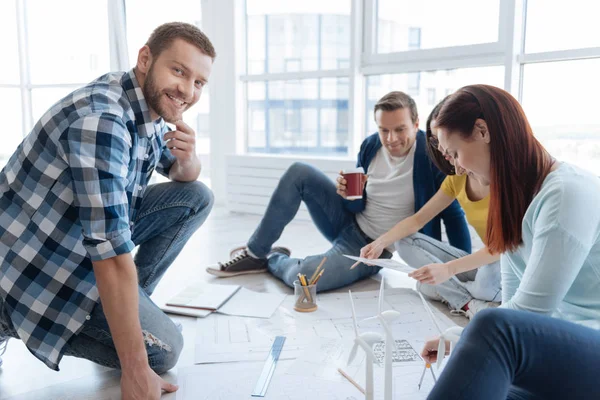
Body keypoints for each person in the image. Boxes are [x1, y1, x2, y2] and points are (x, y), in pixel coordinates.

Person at [0, 22, 215, 399]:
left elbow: (183, 178)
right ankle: (8, 318)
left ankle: (124, 308)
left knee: (197, 195)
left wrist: (188, 158)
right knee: (164, 351)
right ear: (146, 59)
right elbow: (110, 253)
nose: (187, 91)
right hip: (29, 267)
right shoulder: (104, 121)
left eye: (199, 82)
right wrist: (135, 368)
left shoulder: (141, 104)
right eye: (179, 71)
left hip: (70, 241)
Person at [418, 84, 600, 397]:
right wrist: (460, 341)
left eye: (456, 153)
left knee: (492, 328)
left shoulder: (567, 193)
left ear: (482, 130)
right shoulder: (514, 202)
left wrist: (462, 338)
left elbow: (525, 316)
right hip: (555, 349)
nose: (457, 167)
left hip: (587, 344)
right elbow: (513, 303)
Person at [207, 91, 471, 292]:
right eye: (384, 130)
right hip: (348, 222)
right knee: (299, 171)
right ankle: (256, 252)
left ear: (415, 125)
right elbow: (357, 206)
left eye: (400, 129)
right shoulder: (371, 146)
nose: (391, 139)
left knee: (305, 281)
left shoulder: (432, 155)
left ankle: (273, 258)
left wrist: (464, 270)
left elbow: (453, 212)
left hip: (371, 249)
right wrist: (350, 195)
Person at [359, 97, 501, 319]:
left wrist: (449, 270)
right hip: (485, 263)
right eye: (435, 141)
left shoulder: (500, 178)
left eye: (445, 142)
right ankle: (470, 302)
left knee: (473, 281)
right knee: (409, 252)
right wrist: (380, 242)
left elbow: (501, 248)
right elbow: (417, 220)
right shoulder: (457, 177)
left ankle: (462, 296)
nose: (442, 149)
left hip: (504, 266)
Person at [424, 309, 600, 400]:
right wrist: (468, 342)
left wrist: (475, 341)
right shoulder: (514, 241)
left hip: (582, 344)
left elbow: (529, 308)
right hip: (564, 350)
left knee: (496, 330)